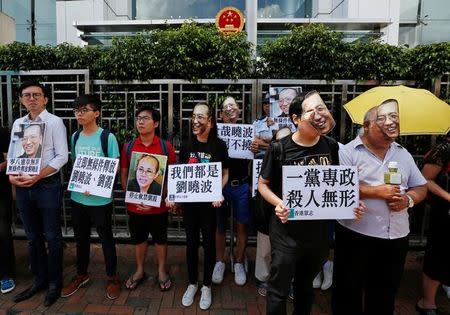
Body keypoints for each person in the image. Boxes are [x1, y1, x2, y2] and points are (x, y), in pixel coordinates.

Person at [258, 92, 365, 315]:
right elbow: (262, 185)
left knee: (306, 289)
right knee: (278, 291)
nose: (319, 115)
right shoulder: (279, 148)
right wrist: (279, 204)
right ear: (296, 119)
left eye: (322, 108)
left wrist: (352, 202)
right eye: (311, 111)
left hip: (317, 236)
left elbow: (338, 186)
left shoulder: (332, 147)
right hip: (286, 234)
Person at [332, 99, 428, 315]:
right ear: (367, 126)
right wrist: (375, 191)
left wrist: (408, 200)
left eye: (393, 121)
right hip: (356, 234)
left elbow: (421, 186)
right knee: (348, 292)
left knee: (385, 293)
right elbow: (337, 187)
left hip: (396, 238)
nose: (389, 127)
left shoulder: (403, 153)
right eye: (382, 122)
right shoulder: (348, 152)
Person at [9, 81, 68, 307]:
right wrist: (11, 177)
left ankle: (54, 283)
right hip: (24, 185)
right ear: (22, 99)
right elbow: (15, 154)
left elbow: (62, 157)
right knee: (32, 238)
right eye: (27, 95)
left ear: (45, 99)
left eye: (36, 95)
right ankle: (39, 280)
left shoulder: (54, 122)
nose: (31, 99)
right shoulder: (18, 124)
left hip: (47, 185)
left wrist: (39, 175)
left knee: (52, 237)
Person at [169, 103, 229, 310]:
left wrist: (218, 192)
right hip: (191, 205)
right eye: (193, 116)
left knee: (209, 244)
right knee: (191, 244)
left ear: (210, 122)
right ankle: (192, 283)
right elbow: (181, 174)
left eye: (200, 117)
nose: (195, 121)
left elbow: (225, 173)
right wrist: (175, 198)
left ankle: (207, 286)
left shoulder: (219, 146)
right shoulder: (186, 145)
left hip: (210, 205)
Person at [61, 94, 121, 300]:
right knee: (81, 239)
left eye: (84, 110)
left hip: (101, 200)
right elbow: (77, 165)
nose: (79, 114)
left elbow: (113, 168)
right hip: (78, 199)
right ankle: (81, 274)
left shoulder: (107, 138)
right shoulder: (75, 137)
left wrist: (97, 187)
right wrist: (83, 185)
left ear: (96, 113)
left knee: (106, 239)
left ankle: (112, 277)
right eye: (77, 110)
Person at [121, 107, 176, 292]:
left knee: (160, 239)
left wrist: (161, 198)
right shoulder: (128, 146)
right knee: (138, 239)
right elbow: (124, 174)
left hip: (159, 208)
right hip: (135, 206)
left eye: (145, 118)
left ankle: (161, 271)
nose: (140, 122)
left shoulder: (165, 146)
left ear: (156, 123)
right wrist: (133, 196)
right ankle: (140, 270)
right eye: (138, 118)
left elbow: (172, 176)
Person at [212, 96, 250, 286]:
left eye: (233, 106)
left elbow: (262, 157)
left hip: (242, 185)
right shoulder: (215, 133)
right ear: (220, 114)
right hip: (220, 185)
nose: (229, 109)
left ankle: (239, 261)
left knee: (241, 225)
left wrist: (257, 147)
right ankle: (220, 261)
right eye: (225, 107)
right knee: (219, 225)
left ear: (239, 110)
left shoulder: (249, 132)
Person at [416, 133, 450, 315]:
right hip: (445, 213)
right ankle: (427, 303)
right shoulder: (444, 148)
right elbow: (425, 179)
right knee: (439, 254)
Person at [0, 127, 15, 294]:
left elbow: (9, 160)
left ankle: (6, 274)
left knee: (3, 233)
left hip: (1, 191)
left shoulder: (2, 133)